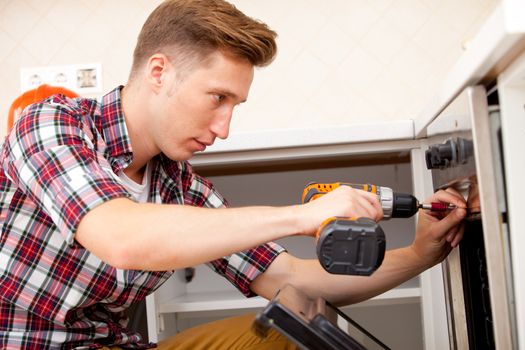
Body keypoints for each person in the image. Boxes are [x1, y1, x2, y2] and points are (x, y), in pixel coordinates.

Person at [0, 0, 467, 349]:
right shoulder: (50, 124)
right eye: (217, 98)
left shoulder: (181, 186)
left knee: (285, 332)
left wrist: (421, 253)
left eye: (235, 105)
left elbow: (293, 279)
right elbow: (121, 236)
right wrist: (300, 216)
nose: (224, 129)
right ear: (159, 71)